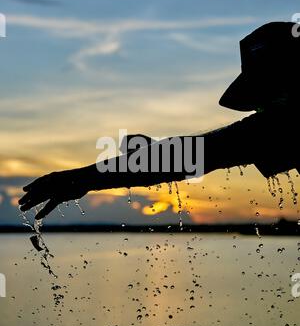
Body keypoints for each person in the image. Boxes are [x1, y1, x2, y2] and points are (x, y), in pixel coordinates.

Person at [19, 22, 300, 220]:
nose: (263, 110)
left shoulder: (285, 123)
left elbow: (202, 152)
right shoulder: (279, 126)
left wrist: (80, 178)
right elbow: (204, 151)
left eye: (269, 94)